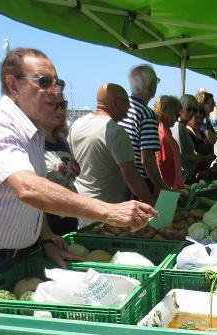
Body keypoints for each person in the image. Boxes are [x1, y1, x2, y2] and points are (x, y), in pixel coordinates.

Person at [0, 48, 157, 297]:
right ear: (13, 85)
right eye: (44, 82)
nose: (55, 91)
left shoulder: (34, 133)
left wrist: (46, 239)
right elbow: (29, 188)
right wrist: (109, 211)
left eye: (58, 83)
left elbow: (34, 199)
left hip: (20, 256)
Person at [70, 83, 155, 228]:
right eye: (126, 102)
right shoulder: (115, 132)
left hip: (83, 206)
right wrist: (152, 204)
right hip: (109, 211)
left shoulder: (76, 125)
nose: (129, 107)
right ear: (115, 103)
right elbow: (130, 175)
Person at [118, 64, 169, 195]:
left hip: (119, 179)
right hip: (138, 184)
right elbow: (147, 161)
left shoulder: (121, 108)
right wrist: (165, 189)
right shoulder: (147, 115)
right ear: (152, 86)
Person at [44, 97, 81, 235]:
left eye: (62, 105)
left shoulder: (61, 140)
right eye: (52, 104)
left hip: (69, 217)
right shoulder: (35, 143)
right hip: (49, 223)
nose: (59, 110)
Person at [172, 95, 214, 184]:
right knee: (169, 198)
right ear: (180, 108)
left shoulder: (182, 127)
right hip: (177, 181)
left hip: (184, 179)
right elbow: (181, 157)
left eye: (194, 110)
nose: (192, 113)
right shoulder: (178, 127)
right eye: (188, 109)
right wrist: (204, 158)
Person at [154, 95, 184, 190]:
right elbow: (160, 166)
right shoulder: (161, 135)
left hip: (169, 184)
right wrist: (167, 189)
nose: (178, 119)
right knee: (165, 205)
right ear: (167, 112)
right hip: (166, 187)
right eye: (176, 114)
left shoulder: (166, 131)